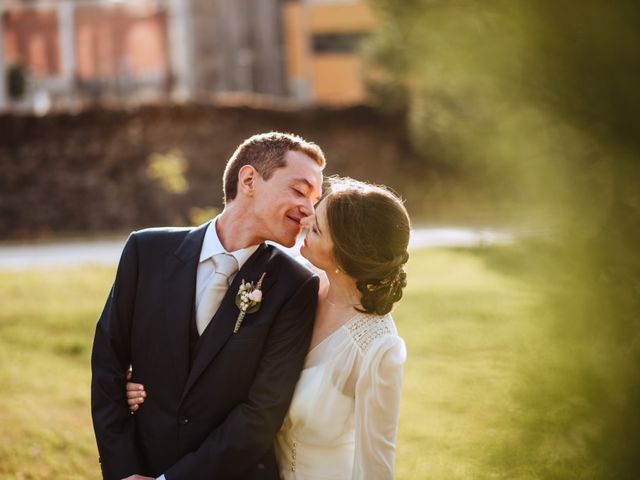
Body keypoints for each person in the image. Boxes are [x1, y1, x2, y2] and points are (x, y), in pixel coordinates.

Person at [127, 177, 410, 479]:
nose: (304, 224)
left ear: (346, 253)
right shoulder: (293, 287)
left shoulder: (378, 348)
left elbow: (376, 464)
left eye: (316, 229)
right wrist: (143, 379)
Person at [91, 132, 325, 480]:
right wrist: (123, 471)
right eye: (299, 190)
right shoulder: (146, 252)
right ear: (249, 180)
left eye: (315, 199)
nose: (309, 210)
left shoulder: (296, 286)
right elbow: (107, 364)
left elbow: (261, 411)